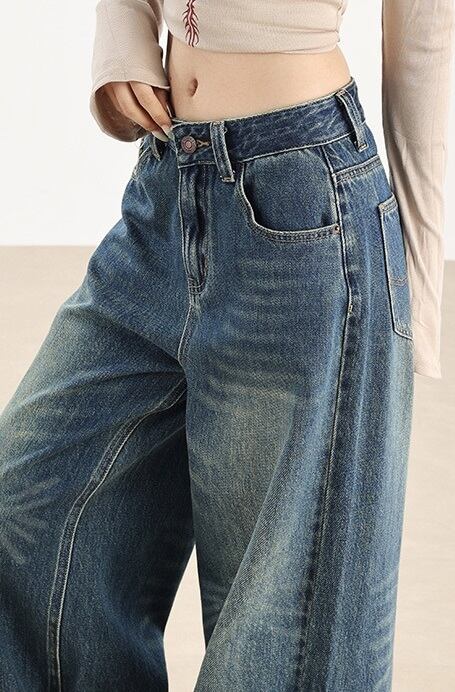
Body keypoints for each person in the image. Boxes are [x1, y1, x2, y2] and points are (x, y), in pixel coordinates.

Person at [0, 1, 453, 690]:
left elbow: (424, 34)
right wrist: (121, 39)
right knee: (30, 514)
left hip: (303, 209)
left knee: (273, 640)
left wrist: (410, 300)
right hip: (165, 188)